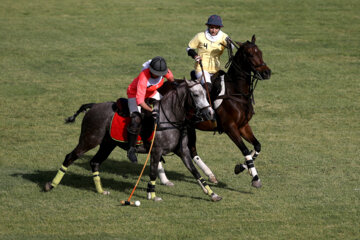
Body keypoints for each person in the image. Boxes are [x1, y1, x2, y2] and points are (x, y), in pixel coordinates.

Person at [126, 56, 174, 163]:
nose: (161, 75)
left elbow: (171, 78)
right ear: (151, 70)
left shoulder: (162, 70)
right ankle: (131, 149)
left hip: (152, 93)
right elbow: (140, 101)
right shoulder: (144, 77)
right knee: (136, 119)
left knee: (167, 108)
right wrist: (152, 111)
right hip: (135, 95)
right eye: (158, 73)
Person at [186, 15, 230, 92]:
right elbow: (189, 48)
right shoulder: (200, 36)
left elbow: (231, 47)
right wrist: (195, 56)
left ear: (219, 28)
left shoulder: (224, 37)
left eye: (216, 28)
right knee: (208, 87)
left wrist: (230, 44)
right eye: (211, 27)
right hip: (202, 68)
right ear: (208, 26)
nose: (213, 30)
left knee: (220, 89)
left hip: (216, 70)